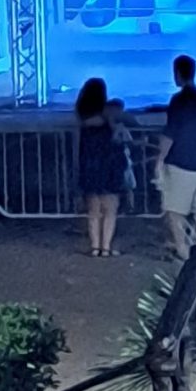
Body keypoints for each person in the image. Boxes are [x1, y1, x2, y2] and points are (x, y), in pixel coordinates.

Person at [159, 54, 196, 258]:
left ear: (177, 73)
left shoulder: (178, 100)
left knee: (175, 209)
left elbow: (170, 132)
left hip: (179, 162)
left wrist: (160, 159)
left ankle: (182, 249)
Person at [75, 78, 125, 257]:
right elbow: (116, 138)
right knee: (110, 209)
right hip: (109, 165)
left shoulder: (82, 118)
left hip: (89, 165)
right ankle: (106, 247)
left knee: (93, 210)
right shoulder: (107, 117)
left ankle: (95, 246)